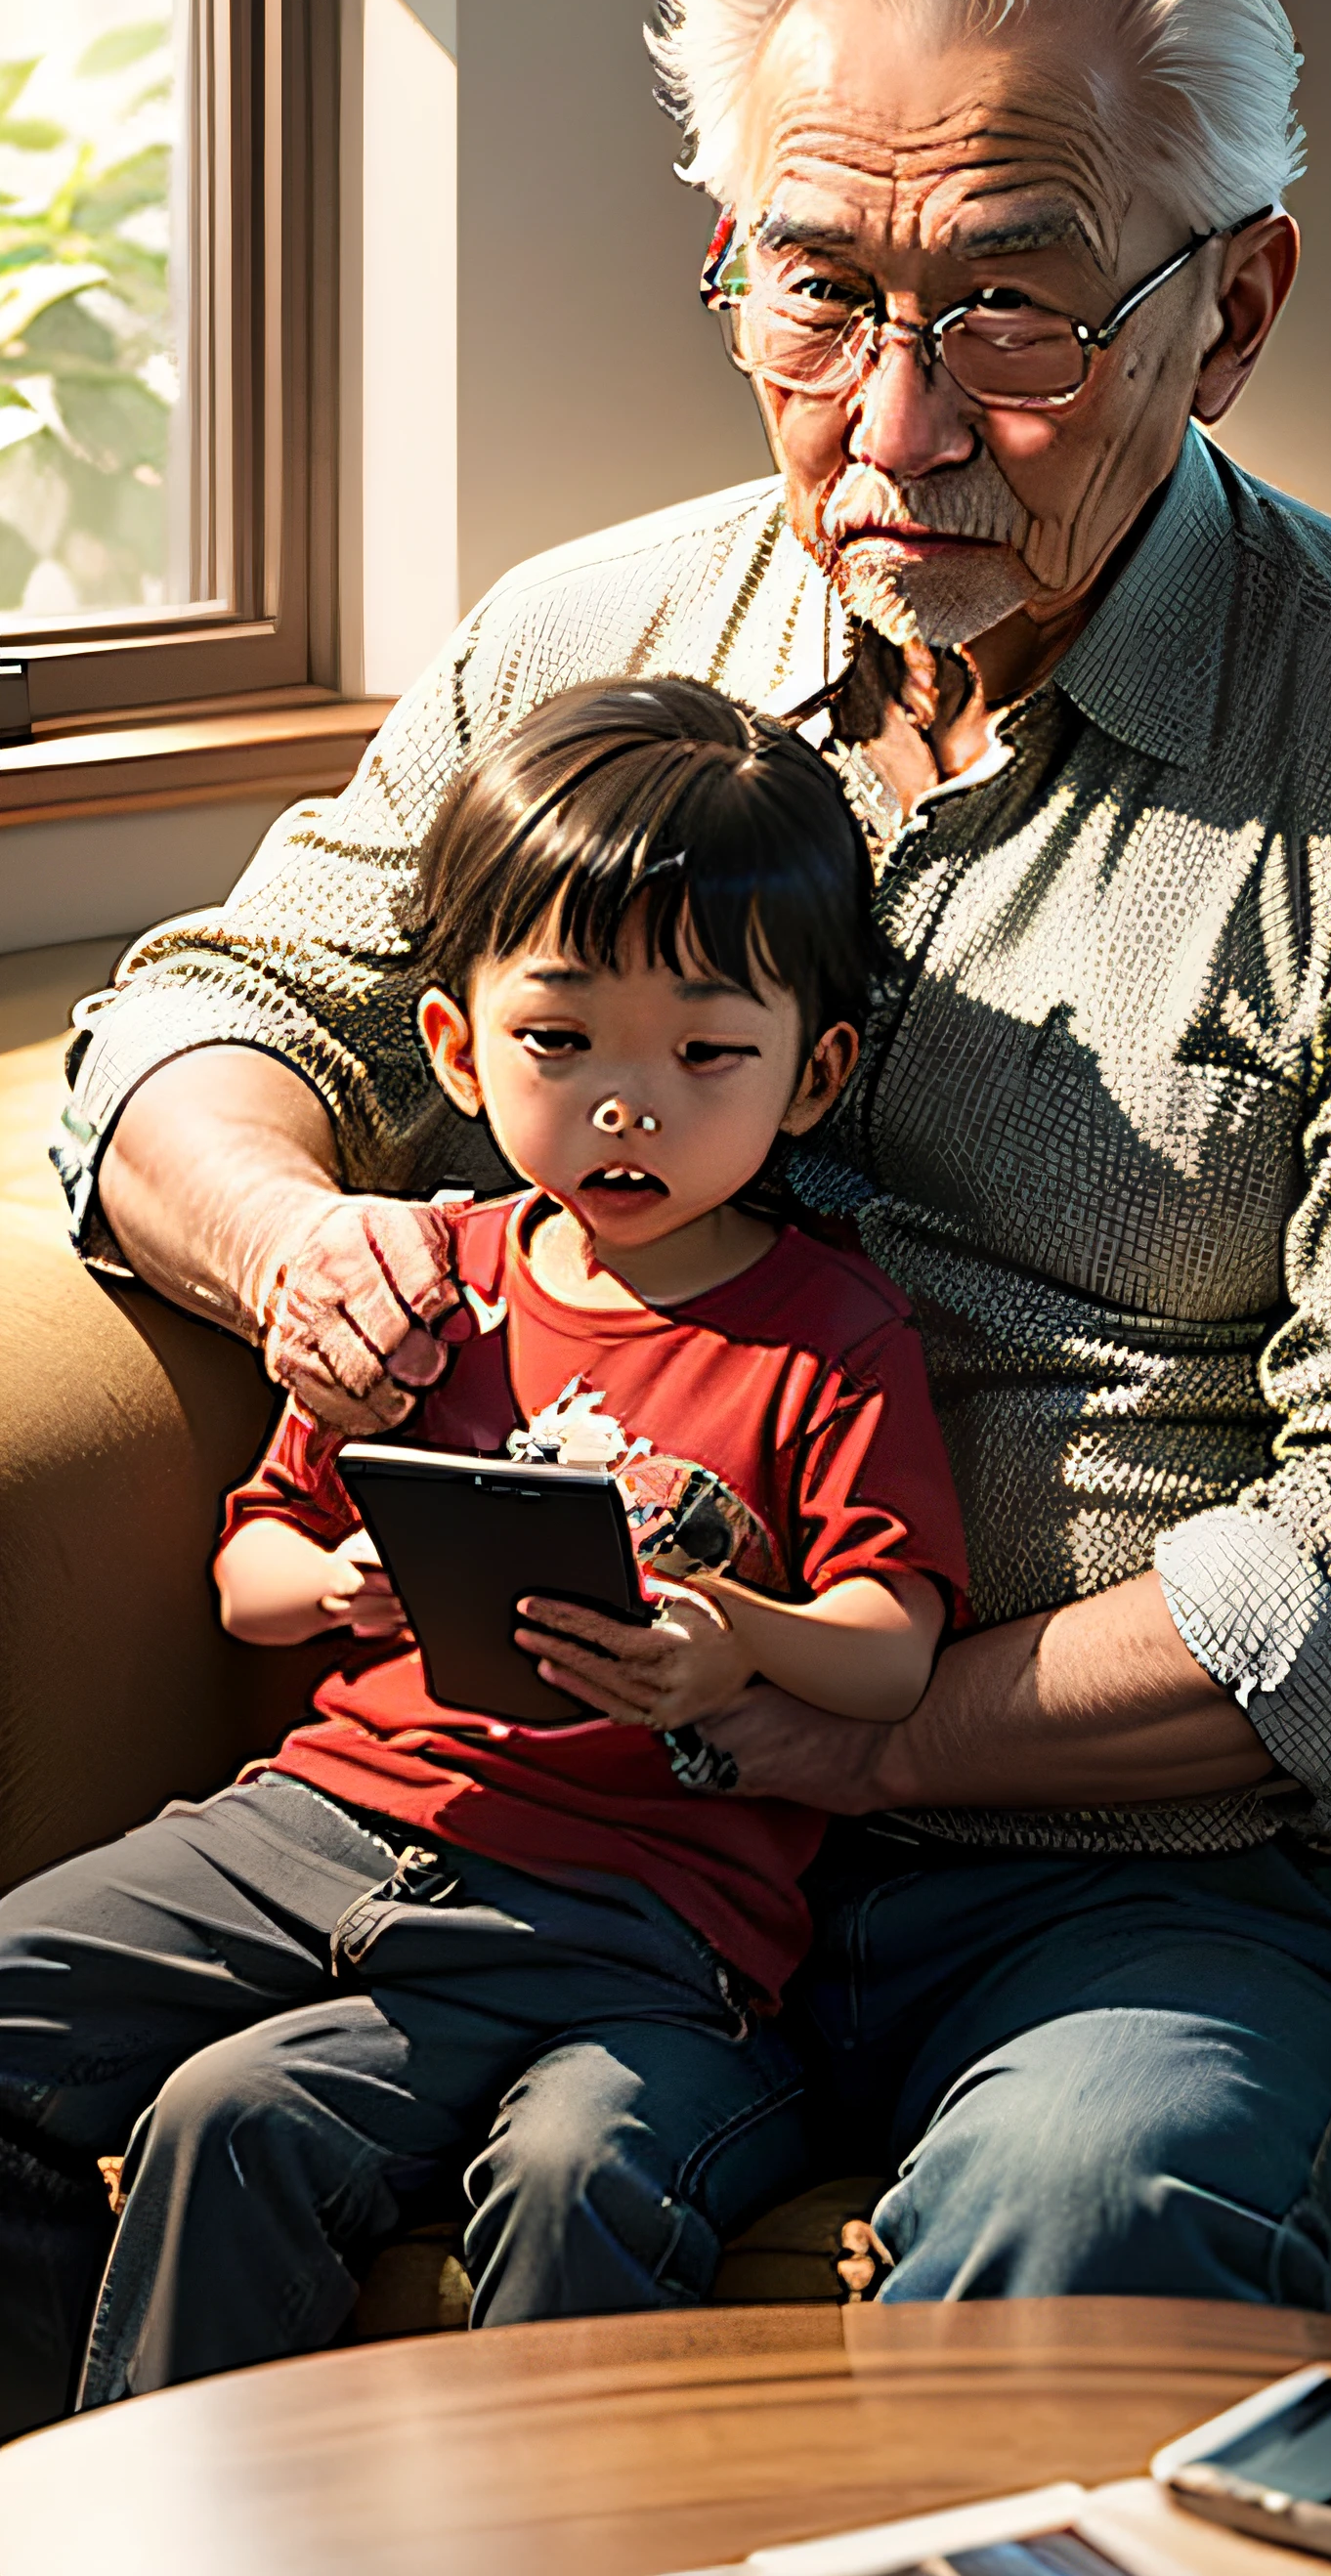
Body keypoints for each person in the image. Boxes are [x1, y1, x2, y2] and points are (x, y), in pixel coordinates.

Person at [12, 0, 1331, 2390]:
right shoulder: (578, 639)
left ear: (1230, 312)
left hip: (1122, 1871)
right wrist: (288, 1237)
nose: (889, 433)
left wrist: (858, 1734)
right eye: (813, 301)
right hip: (541, 1821)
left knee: (1075, 2206)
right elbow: (200, 1022)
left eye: (1012, 314)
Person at [0, 678, 968, 2416]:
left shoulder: (833, 1337)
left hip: (630, 1913)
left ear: (813, 1074)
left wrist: (738, 1637)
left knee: (437, 2147)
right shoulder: (428, 1283)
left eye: (704, 1056)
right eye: (562, 1042)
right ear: (456, 1048)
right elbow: (253, 1572)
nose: (627, 1109)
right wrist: (344, 1583)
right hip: (323, 1820)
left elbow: (891, 1644)